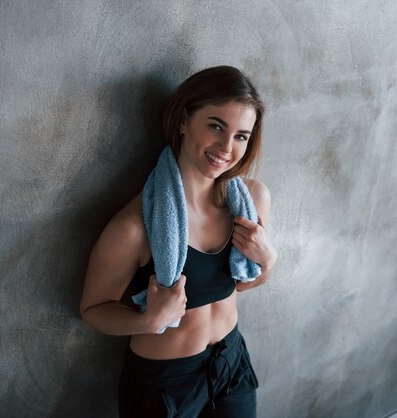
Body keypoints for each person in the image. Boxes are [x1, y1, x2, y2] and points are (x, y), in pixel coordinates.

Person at [79, 65, 277, 418]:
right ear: (184, 120)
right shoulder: (134, 227)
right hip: (166, 386)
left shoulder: (252, 201)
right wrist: (146, 321)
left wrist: (268, 261)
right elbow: (92, 309)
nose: (226, 148)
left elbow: (239, 286)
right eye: (216, 126)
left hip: (231, 364)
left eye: (241, 136)